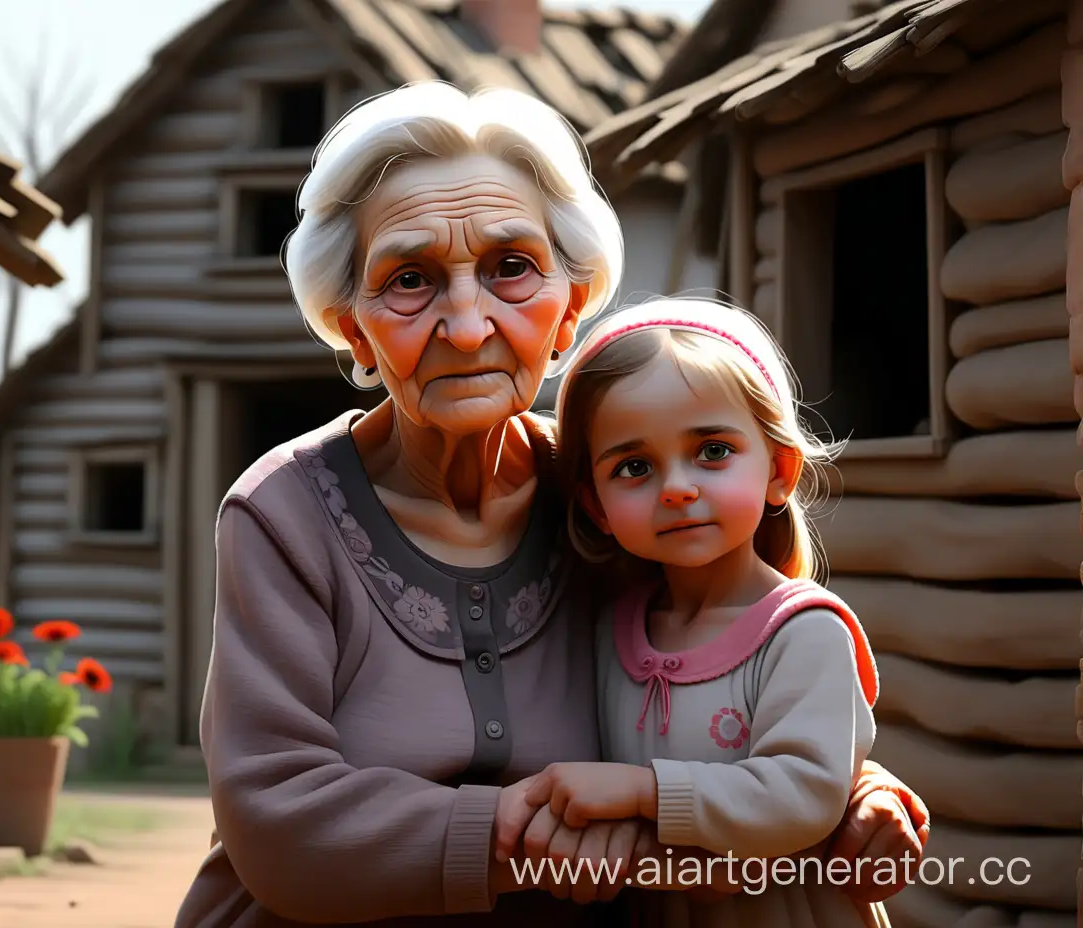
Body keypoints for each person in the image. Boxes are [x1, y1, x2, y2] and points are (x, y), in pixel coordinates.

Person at [173, 83, 928, 928]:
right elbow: (278, 821)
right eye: (410, 279)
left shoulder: (616, 489)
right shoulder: (283, 515)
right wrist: (527, 833)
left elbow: (737, 650)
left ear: (569, 310)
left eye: (511, 269)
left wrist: (854, 784)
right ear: (352, 328)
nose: (467, 326)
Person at [495, 298, 894, 926]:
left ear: (779, 471)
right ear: (597, 506)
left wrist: (643, 791)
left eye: (711, 450)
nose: (677, 487)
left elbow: (806, 793)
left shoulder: (803, 631)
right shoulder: (607, 628)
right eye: (634, 466)